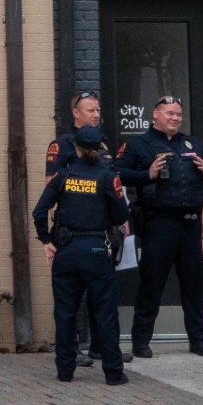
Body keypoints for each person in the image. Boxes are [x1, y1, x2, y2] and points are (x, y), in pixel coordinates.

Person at [116, 95, 203, 358]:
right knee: (152, 284)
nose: (175, 118)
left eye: (179, 115)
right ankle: (141, 340)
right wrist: (146, 175)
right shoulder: (138, 145)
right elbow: (117, 174)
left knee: (194, 286)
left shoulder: (193, 143)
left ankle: (198, 339)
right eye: (169, 113)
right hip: (159, 224)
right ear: (155, 114)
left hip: (191, 225)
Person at [34, 125, 131, 385]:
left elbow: (39, 212)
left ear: (75, 148)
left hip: (65, 250)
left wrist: (46, 241)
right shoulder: (108, 177)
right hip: (97, 250)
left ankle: (65, 371)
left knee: (65, 313)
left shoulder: (63, 176)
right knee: (105, 313)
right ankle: (113, 373)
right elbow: (122, 215)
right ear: (99, 148)